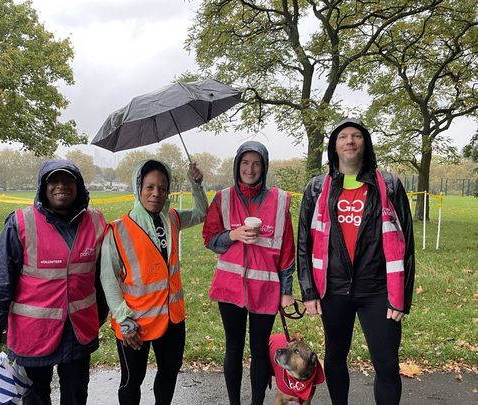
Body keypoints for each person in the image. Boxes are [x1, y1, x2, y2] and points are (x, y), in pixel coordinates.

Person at [297, 118, 415, 405]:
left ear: (366, 144)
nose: (350, 140)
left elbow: (406, 242)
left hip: (378, 291)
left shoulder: (388, 184)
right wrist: (308, 291)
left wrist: (403, 298)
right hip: (333, 289)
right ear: (334, 147)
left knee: (386, 363)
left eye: (357, 136)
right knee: (336, 358)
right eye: (343, 137)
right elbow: (304, 242)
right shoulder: (316, 188)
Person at [0, 159, 108, 405]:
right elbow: (1, 284)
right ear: (43, 186)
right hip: (33, 336)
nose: (61, 186)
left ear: (78, 185)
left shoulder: (97, 222)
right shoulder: (20, 223)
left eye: (68, 180)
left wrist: (100, 316)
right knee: (35, 398)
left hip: (78, 333)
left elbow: (104, 277)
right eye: (54, 180)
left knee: (77, 396)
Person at [100, 159, 208, 405]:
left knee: (168, 375)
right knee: (131, 382)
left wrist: (197, 185)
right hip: (135, 324)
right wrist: (124, 320)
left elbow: (202, 213)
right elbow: (109, 280)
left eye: (162, 187)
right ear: (138, 188)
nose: (156, 193)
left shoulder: (172, 218)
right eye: (149, 187)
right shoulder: (117, 230)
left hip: (172, 319)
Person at [202, 141, 296, 405]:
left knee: (258, 351)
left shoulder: (279, 201)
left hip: (265, 289)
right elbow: (209, 239)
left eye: (256, 163)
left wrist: (287, 291)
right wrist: (232, 235)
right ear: (237, 165)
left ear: (264, 167)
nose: (250, 169)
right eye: (245, 163)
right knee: (233, 348)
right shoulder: (223, 198)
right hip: (230, 288)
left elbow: (287, 251)